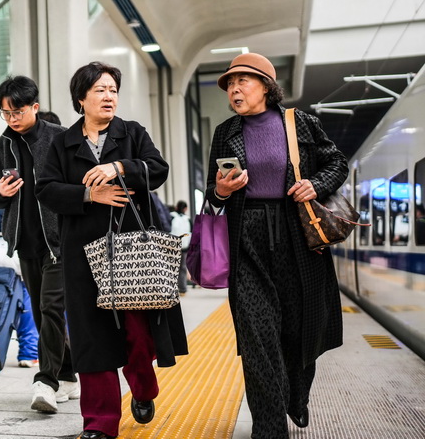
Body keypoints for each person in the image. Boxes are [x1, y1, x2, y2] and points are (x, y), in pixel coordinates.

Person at [36, 62, 188, 439]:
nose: (108, 96)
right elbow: (46, 189)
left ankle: (143, 387)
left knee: (137, 334)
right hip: (83, 256)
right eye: (100, 90)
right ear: (81, 98)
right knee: (91, 340)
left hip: (131, 250)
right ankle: (99, 425)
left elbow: (159, 168)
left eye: (113, 90)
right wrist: (89, 193)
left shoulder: (132, 133)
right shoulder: (63, 143)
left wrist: (118, 167)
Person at [207, 52, 346, 437]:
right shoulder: (225, 132)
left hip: (296, 236)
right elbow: (212, 191)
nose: (234, 89)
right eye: (230, 84)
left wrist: (316, 184)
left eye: (243, 82)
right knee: (256, 336)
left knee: (299, 330)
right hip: (246, 238)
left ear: (266, 87)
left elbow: (338, 163)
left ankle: (295, 397)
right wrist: (220, 190)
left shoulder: (300, 122)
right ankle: (269, 428)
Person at [0, 76, 77, 413]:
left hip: (59, 242)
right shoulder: (1, 147)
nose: (12, 119)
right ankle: (68, 373)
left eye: (17, 111)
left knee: (50, 307)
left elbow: (79, 185)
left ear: (34, 106)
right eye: (5, 113)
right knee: (40, 310)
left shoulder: (60, 140)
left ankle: (46, 382)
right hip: (26, 244)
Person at [170, 200, 192, 294]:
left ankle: (171, 289)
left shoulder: (171, 216)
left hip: (171, 246)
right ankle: (182, 289)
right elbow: (192, 232)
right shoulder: (188, 219)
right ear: (185, 208)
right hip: (184, 246)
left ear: (176, 207)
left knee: (171, 268)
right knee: (182, 268)